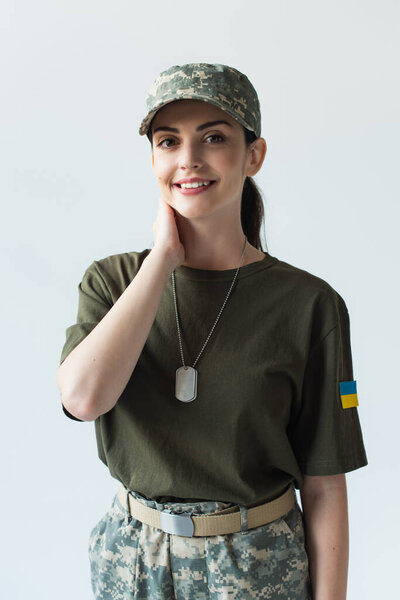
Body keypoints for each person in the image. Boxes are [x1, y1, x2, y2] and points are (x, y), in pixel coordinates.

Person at [56, 63, 368, 600]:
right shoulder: (112, 282)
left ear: (254, 156)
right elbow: (83, 398)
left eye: (214, 137)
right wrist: (162, 260)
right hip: (132, 561)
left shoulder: (309, 305)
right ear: (153, 158)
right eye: (168, 141)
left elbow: (324, 485)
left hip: (256, 567)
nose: (188, 160)